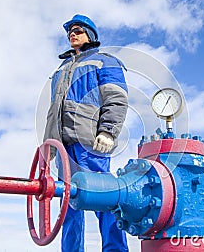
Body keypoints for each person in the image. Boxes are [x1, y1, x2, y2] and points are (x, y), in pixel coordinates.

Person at [44, 14, 129, 252]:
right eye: (70, 31)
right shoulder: (61, 70)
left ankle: (115, 249)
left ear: (90, 35)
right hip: (64, 145)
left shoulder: (104, 61)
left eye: (78, 30)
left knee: (104, 198)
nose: (73, 34)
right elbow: (54, 111)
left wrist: (108, 131)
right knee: (68, 203)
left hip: (90, 141)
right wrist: (49, 146)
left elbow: (116, 98)